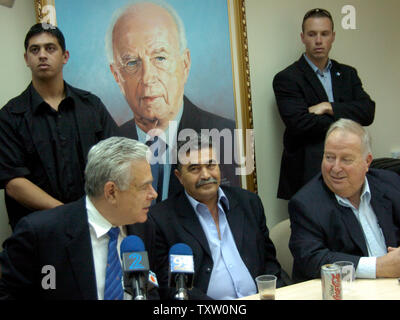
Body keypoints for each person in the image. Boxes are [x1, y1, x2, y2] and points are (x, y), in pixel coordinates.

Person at [106, 0, 239, 202]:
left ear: (184, 65)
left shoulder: (227, 136)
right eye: (132, 62)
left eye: (160, 58)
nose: (147, 77)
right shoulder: (111, 146)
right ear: (117, 76)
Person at [0, 137, 158, 300]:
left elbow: (150, 290)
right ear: (111, 192)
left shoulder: (143, 228)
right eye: (143, 187)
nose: (154, 194)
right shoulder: (41, 234)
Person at [0, 23, 119, 229]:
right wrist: (70, 213)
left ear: (65, 56)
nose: (42, 55)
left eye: (50, 48)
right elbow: (14, 184)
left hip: (94, 225)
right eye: (34, 50)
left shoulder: (91, 106)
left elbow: (117, 160)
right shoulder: (10, 116)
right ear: (26, 59)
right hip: (39, 233)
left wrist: (93, 211)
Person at [149, 134, 283, 300]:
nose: (205, 175)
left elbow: (270, 262)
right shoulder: (162, 220)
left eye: (211, 165)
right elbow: (172, 287)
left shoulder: (248, 203)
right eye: (194, 168)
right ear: (179, 177)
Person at [273, 8, 375, 200]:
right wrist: (349, 118)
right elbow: (300, 124)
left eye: (324, 34)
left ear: (333, 36)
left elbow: (368, 112)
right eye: (312, 34)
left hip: (349, 172)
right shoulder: (287, 78)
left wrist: (329, 107)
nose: (318, 40)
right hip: (308, 172)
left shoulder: (347, 73)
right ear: (303, 37)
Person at [289, 119, 400, 283]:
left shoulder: (390, 183)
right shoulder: (305, 203)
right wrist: (377, 267)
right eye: (329, 157)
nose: (335, 168)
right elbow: (312, 261)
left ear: (367, 162)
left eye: (346, 159)